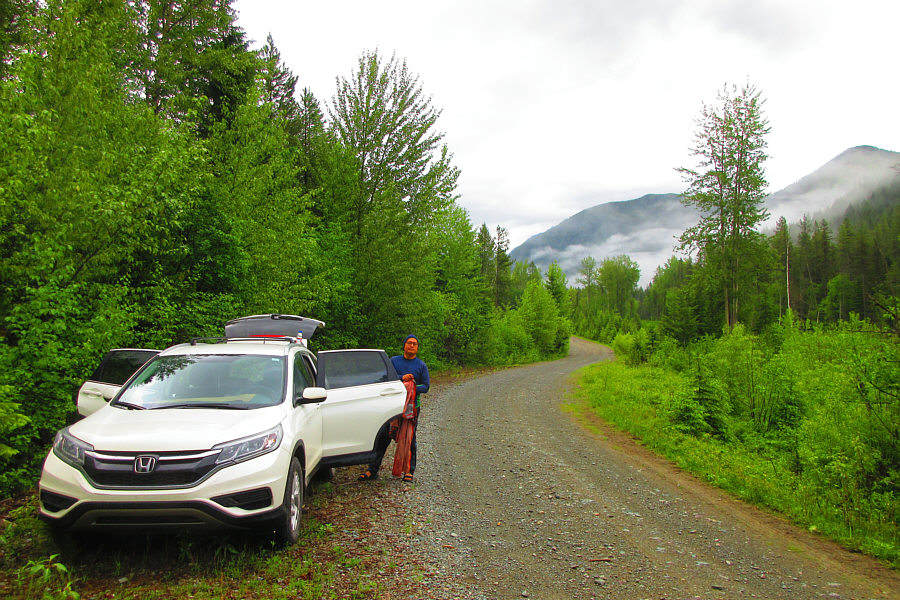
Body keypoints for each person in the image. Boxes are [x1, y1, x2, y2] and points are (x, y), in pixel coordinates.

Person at [358, 334, 429, 482]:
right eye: (409, 343)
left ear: (417, 348)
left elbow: (426, 386)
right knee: (383, 436)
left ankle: (409, 471)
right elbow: (385, 378)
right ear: (404, 345)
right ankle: (372, 470)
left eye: (415, 344)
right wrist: (402, 378)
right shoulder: (394, 361)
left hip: (411, 407)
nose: (411, 345)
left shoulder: (421, 365)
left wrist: (412, 387)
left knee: (409, 438)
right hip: (391, 406)